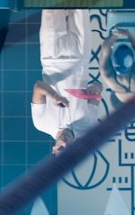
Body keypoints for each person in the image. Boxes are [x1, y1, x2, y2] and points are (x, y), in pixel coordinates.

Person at [31, 9, 103, 155]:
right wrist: (95, 89)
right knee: (80, 3)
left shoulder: (42, 124)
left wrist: (55, 96)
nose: (64, 143)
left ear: (53, 149)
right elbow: (98, 88)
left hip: (51, 57)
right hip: (81, 56)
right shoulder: (88, 125)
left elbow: (38, 87)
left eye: (60, 148)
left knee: (53, 2)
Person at [99, 26, 135, 101]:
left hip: (130, 95)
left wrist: (117, 35)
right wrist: (125, 34)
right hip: (133, 92)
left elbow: (105, 50)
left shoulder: (108, 76)